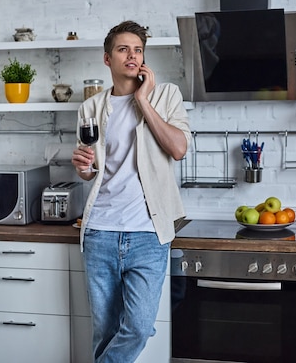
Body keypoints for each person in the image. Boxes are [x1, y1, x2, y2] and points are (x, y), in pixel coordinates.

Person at [71, 20, 191, 363]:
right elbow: (91, 169)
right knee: (105, 330)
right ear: (108, 59)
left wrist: (142, 100)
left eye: (138, 50)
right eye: (124, 49)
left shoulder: (166, 96)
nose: (133, 56)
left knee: (138, 327)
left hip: (148, 234)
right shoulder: (90, 109)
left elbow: (178, 148)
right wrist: (83, 168)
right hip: (100, 232)